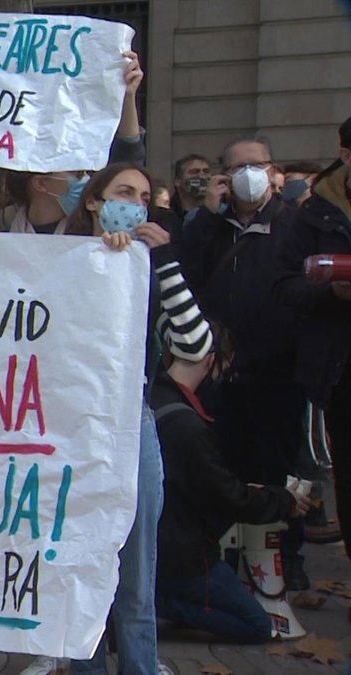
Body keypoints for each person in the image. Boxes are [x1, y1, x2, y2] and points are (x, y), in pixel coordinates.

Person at [22, 163, 213, 675]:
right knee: (77, 563)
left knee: (136, 570)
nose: (136, 204)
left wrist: (163, 263)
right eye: (124, 193)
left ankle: (140, 666)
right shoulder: (63, 261)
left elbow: (195, 344)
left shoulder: (147, 266)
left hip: (131, 424)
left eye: (144, 198)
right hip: (70, 427)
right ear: (93, 201)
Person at [179, 135, 309, 590]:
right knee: (223, 468)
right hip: (220, 374)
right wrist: (206, 217)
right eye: (237, 168)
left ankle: (285, 558)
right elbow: (184, 274)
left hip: (279, 372)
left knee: (278, 465)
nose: (248, 175)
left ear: (272, 172)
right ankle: (224, 557)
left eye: (257, 165)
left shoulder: (294, 224)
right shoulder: (211, 227)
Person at [153, 335, 310, 644]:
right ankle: (158, 604)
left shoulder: (152, 401)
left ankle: (156, 600)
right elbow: (229, 498)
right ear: (211, 360)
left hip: (157, 545)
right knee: (256, 625)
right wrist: (283, 500)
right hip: (183, 557)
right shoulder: (189, 427)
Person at [274, 115, 351, 561]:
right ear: (345, 155)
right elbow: (284, 285)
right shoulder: (314, 215)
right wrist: (331, 293)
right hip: (341, 369)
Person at [0, 51, 146, 236]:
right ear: (40, 183)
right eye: (75, 174)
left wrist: (127, 96)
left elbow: (128, 160)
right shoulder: (0, 226)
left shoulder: (95, 225)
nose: (85, 180)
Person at [169, 154, 211, 222]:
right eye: (194, 172)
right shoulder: (166, 215)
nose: (202, 176)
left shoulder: (218, 213)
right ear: (177, 181)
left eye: (206, 172)